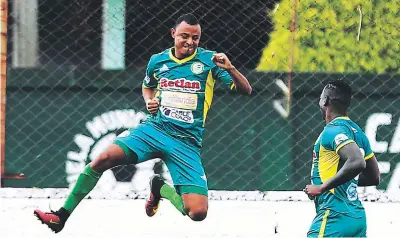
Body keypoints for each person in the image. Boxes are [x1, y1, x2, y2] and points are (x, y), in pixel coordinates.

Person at [34, 13, 252, 233]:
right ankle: (61, 216)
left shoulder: (210, 61)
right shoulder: (158, 61)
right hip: (154, 130)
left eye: (195, 38)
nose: (190, 42)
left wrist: (231, 68)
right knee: (102, 158)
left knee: (197, 213)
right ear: (173, 33)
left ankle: (160, 188)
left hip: (186, 142)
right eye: (185, 36)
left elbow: (246, 90)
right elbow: (147, 85)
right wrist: (149, 101)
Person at [303, 79, 380, 237]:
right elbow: (374, 177)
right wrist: (344, 182)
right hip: (357, 218)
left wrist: (322, 187)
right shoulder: (358, 133)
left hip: (334, 217)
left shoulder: (332, 131)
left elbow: (357, 161)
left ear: (325, 101)